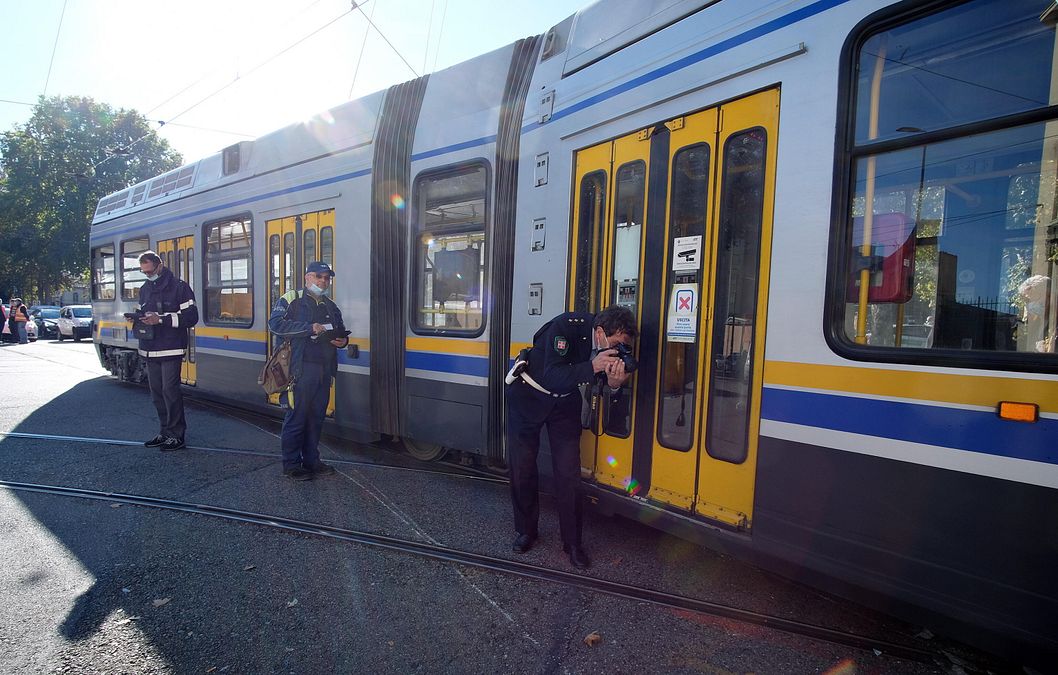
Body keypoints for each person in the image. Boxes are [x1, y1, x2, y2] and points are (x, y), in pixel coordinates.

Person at [506, 304, 637, 570]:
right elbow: (553, 374)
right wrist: (592, 365)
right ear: (599, 332)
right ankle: (526, 531)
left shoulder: (603, 348)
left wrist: (614, 384)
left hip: (563, 403)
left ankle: (573, 543)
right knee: (523, 467)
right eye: (615, 344)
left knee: (569, 474)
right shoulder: (566, 327)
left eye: (623, 347)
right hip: (528, 397)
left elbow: (598, 385)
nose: (616, 350)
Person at [268, 261, 349, 481]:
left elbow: (340, 330)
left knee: (316, 418)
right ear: (307, 277)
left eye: (327, 278)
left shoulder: (330, 305)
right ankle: (292, 465)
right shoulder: (290, 299)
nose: (323, 281)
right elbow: (275, 325)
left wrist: (342, 341)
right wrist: (308, 328)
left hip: (324, 370)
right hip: (300, 369)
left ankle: (312, 461)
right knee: (297, 417)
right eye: (319, 276)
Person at [131, 251, 198, 451]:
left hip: (171, 348)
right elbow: (142, 311)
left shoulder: (180, 287)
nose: (148, 275)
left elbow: (191, 317)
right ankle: (165, 432)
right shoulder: (144, 289)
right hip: (150, 349)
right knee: (157, 394)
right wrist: (137, 318)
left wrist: (160, 319)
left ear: (159, 266)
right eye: (145, 273)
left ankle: (177, 436)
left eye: (150, 271)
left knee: (170, 392)